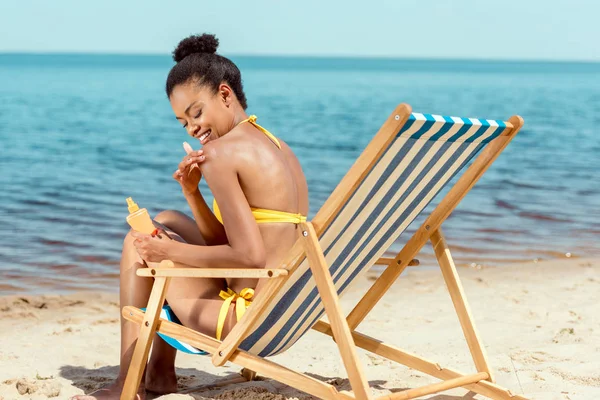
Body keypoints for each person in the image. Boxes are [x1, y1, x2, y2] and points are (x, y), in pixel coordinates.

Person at [72, 33, 309, 400]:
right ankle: (160, 372)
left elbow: (248, 257)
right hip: (283, 309)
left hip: (244, 318)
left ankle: (126, 384)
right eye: (184, 123)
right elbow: (231, 243)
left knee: (137, 245)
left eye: (197, 113)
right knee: (168, 218)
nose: (194, 129)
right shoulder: (278, 146)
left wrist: (168, 254)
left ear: (225, 95)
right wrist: (193, 193)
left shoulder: (221, 154)